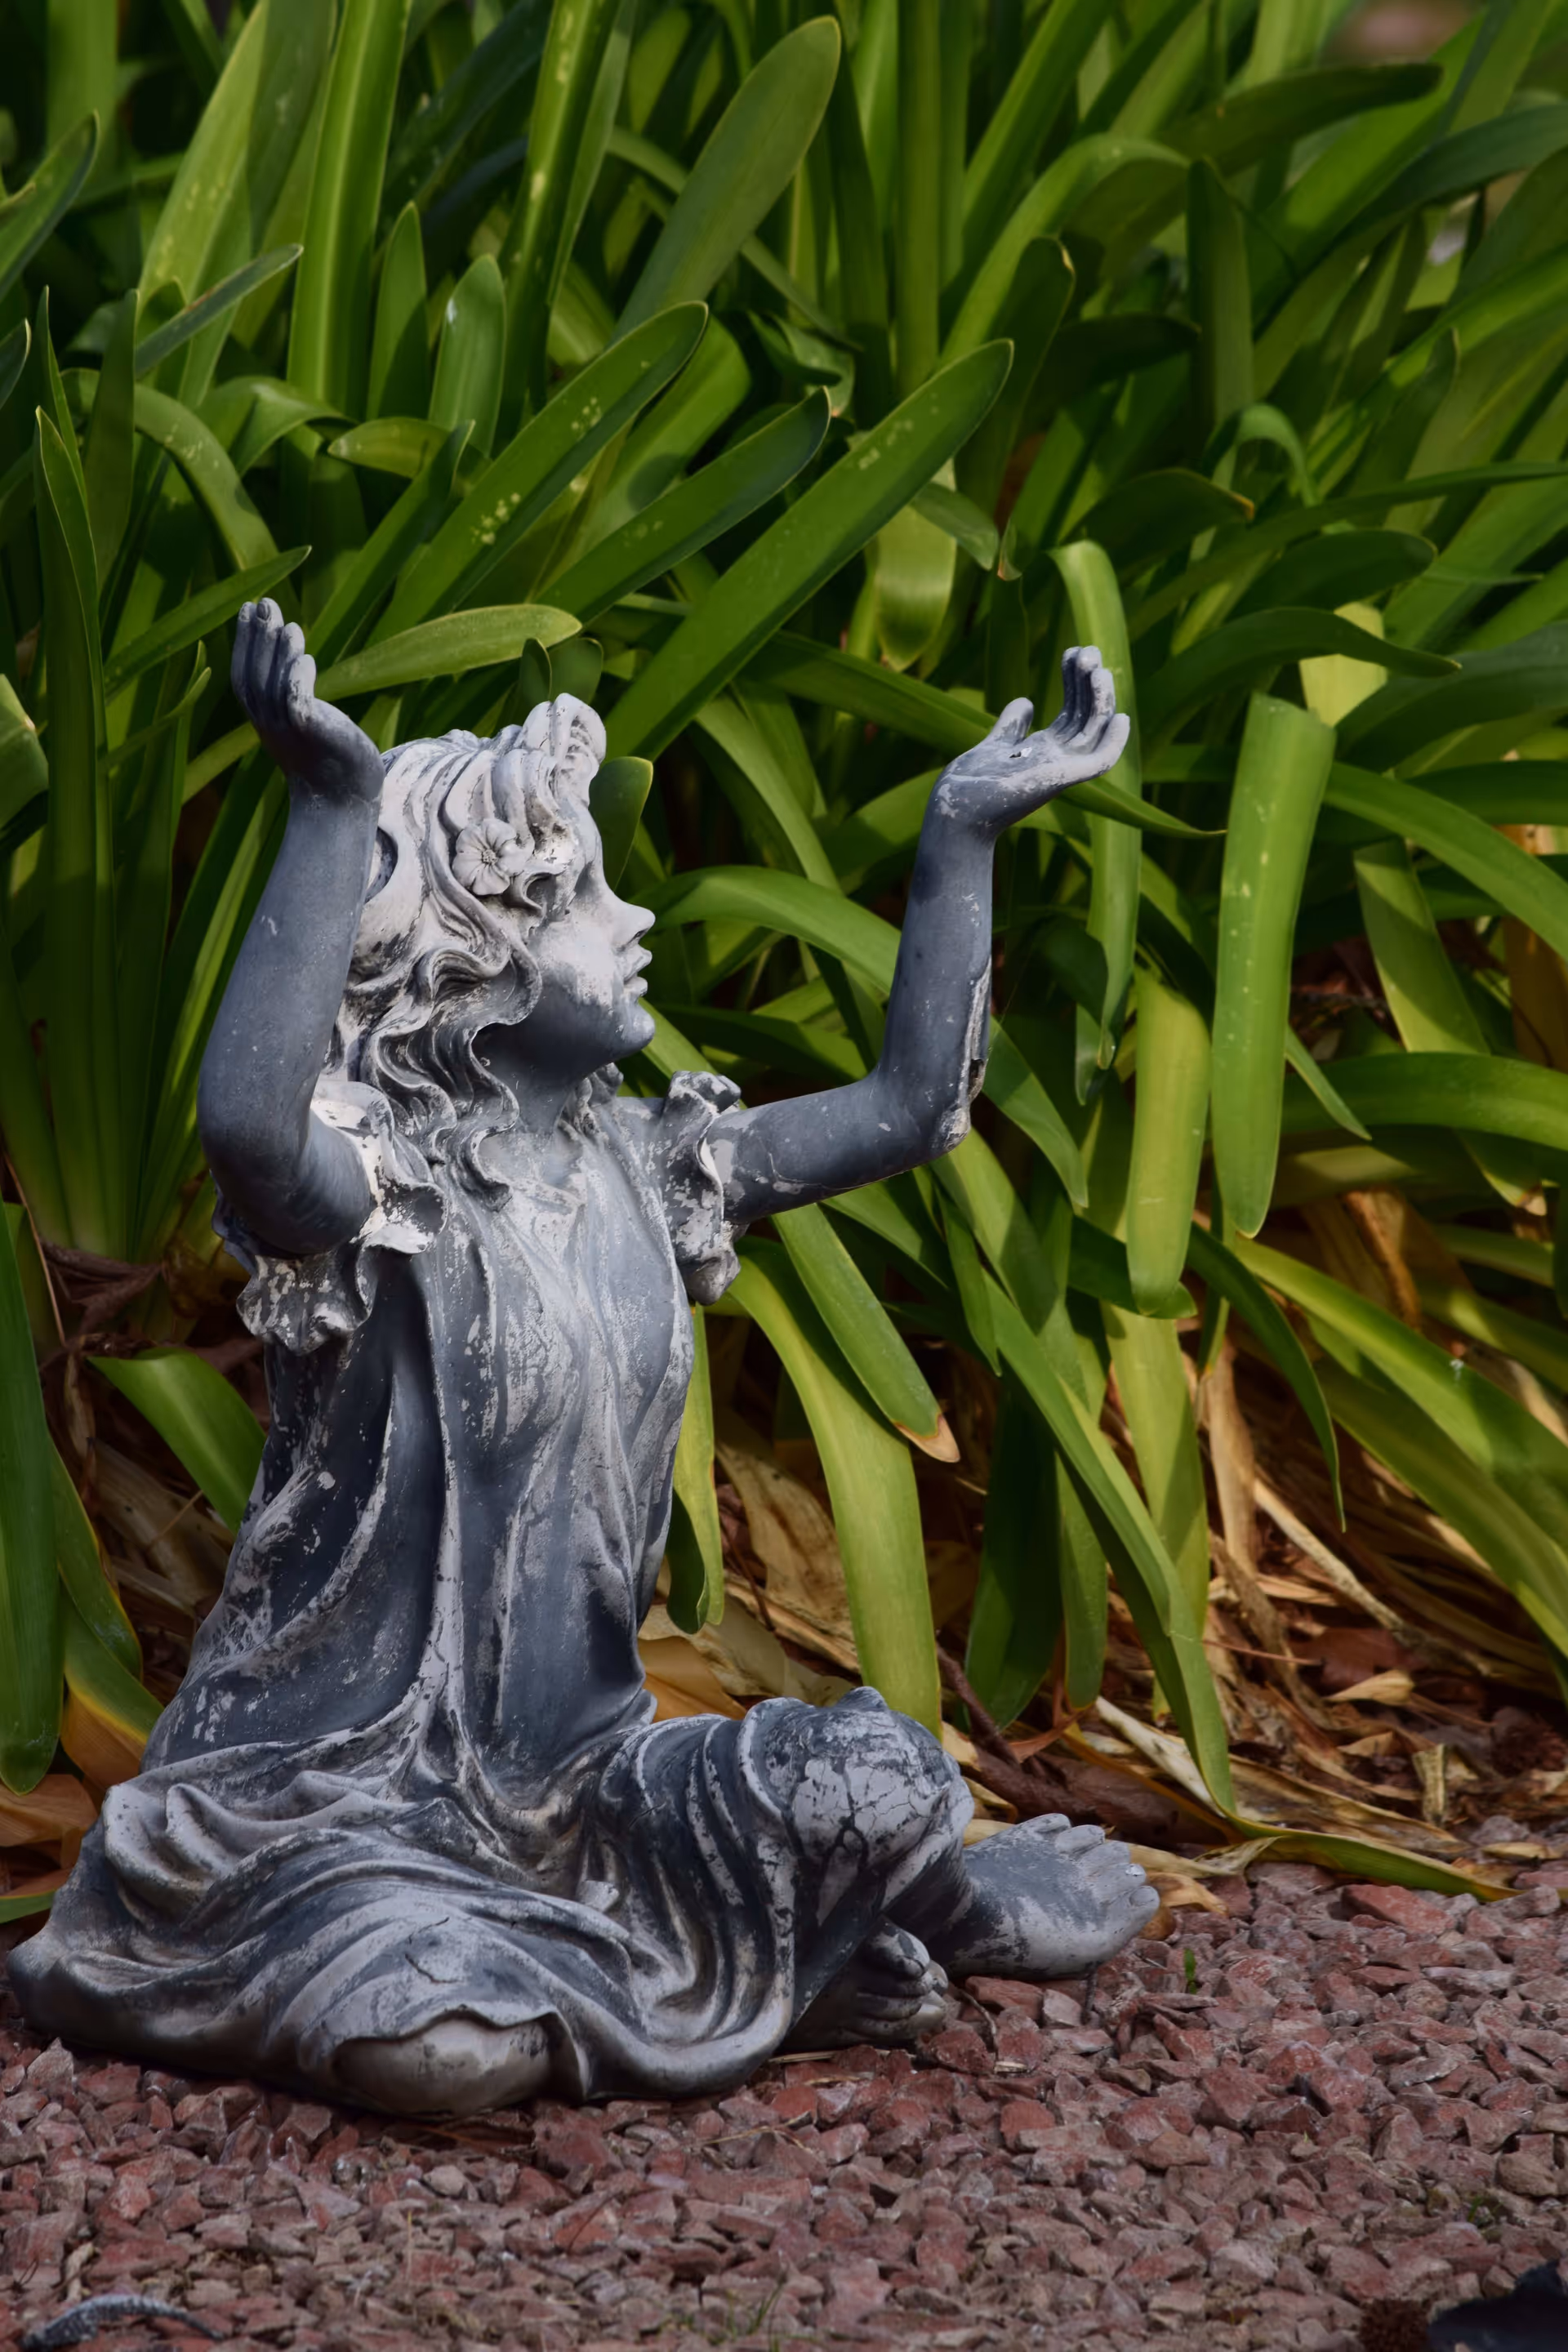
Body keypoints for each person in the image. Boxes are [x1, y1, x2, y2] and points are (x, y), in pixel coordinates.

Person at [11, 604, 1156, 2115]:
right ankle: (788, 1941)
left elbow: (907, 1109)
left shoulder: (647, 1159)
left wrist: (962, 834)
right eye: (583, 896)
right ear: (470, 951)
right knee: (438, 2052)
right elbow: (245, 1126)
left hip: (591, 1791)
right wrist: (330, 812)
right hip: (337, 1812)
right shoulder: (378, 1192)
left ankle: (897, 1888)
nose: (637, 923)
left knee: (875, 1773)